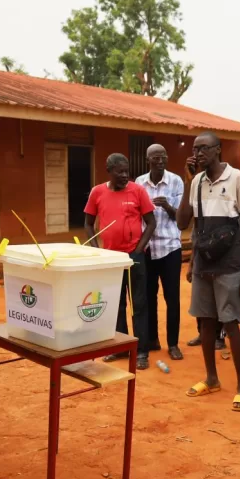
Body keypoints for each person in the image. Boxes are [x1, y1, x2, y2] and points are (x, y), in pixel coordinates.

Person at [176, 132, 240, 412]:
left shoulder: (236, 179)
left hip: (230, 264)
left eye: (204, 148)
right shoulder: (196, 182)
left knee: (230, 323)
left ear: (218, 150)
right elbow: (185, 222)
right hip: (204, 264)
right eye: (195, 149)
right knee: (206, 322)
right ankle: (211, 378)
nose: (198, 153)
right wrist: (188, 181)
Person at [84, 153, 157, 370]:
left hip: (134, 258)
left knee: (139, 304)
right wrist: (98, 252)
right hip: (110, 260)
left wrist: (138, 249)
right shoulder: (97, 192)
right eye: (120, 172)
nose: (125, 175)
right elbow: (88, 223)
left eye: (127, 171)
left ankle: (142, 350)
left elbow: (151, 223)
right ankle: (120, 347)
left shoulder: (138, 191)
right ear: (109, 171)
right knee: (116, 305)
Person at [135, 144, 185, 361]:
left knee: (172, 298)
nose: (160, 160)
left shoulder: (176, 181)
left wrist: (167, 206)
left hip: (170, 248)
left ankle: (173, 344)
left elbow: (182, 217)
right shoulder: (139, 183)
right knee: (148, 297)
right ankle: (152, 339)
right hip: (147, 248)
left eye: (163, 157)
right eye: (155, 157)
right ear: (148, 160)